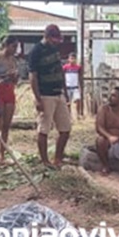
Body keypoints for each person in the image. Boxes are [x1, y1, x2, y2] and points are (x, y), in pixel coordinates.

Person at [29, 24, 72, 168]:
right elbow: (33, 76)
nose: (56, 42)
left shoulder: (55, 50)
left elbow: (60, 70)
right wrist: (37, 97)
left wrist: (65, 93)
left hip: (58, 92)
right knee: (44, 129)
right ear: (46, 36)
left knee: (65, 128)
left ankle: (58, 158)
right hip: (45, 94)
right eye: (54, 39)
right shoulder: (36, 51)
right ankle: (45, 161)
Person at [0, 36, 19, 167]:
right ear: (6, 45)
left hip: (10, 90)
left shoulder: (13, 60)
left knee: (6, 125)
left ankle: (2, 153)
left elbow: (15, 81)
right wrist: (4, 76)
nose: (15, 49)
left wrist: (14, 77)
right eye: (13, 46)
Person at [63, 53, 83, 119]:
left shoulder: (78, 67)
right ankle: (69, 115)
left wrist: (80, 86)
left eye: (74, 59)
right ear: (68, 59)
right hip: (68, 87)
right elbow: (63, 76)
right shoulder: (65, 67)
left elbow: (80, 77)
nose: (72, 60)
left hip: (75, 87)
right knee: (68, 102)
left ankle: (78, 114)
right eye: (71, 58)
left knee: (78, 100)